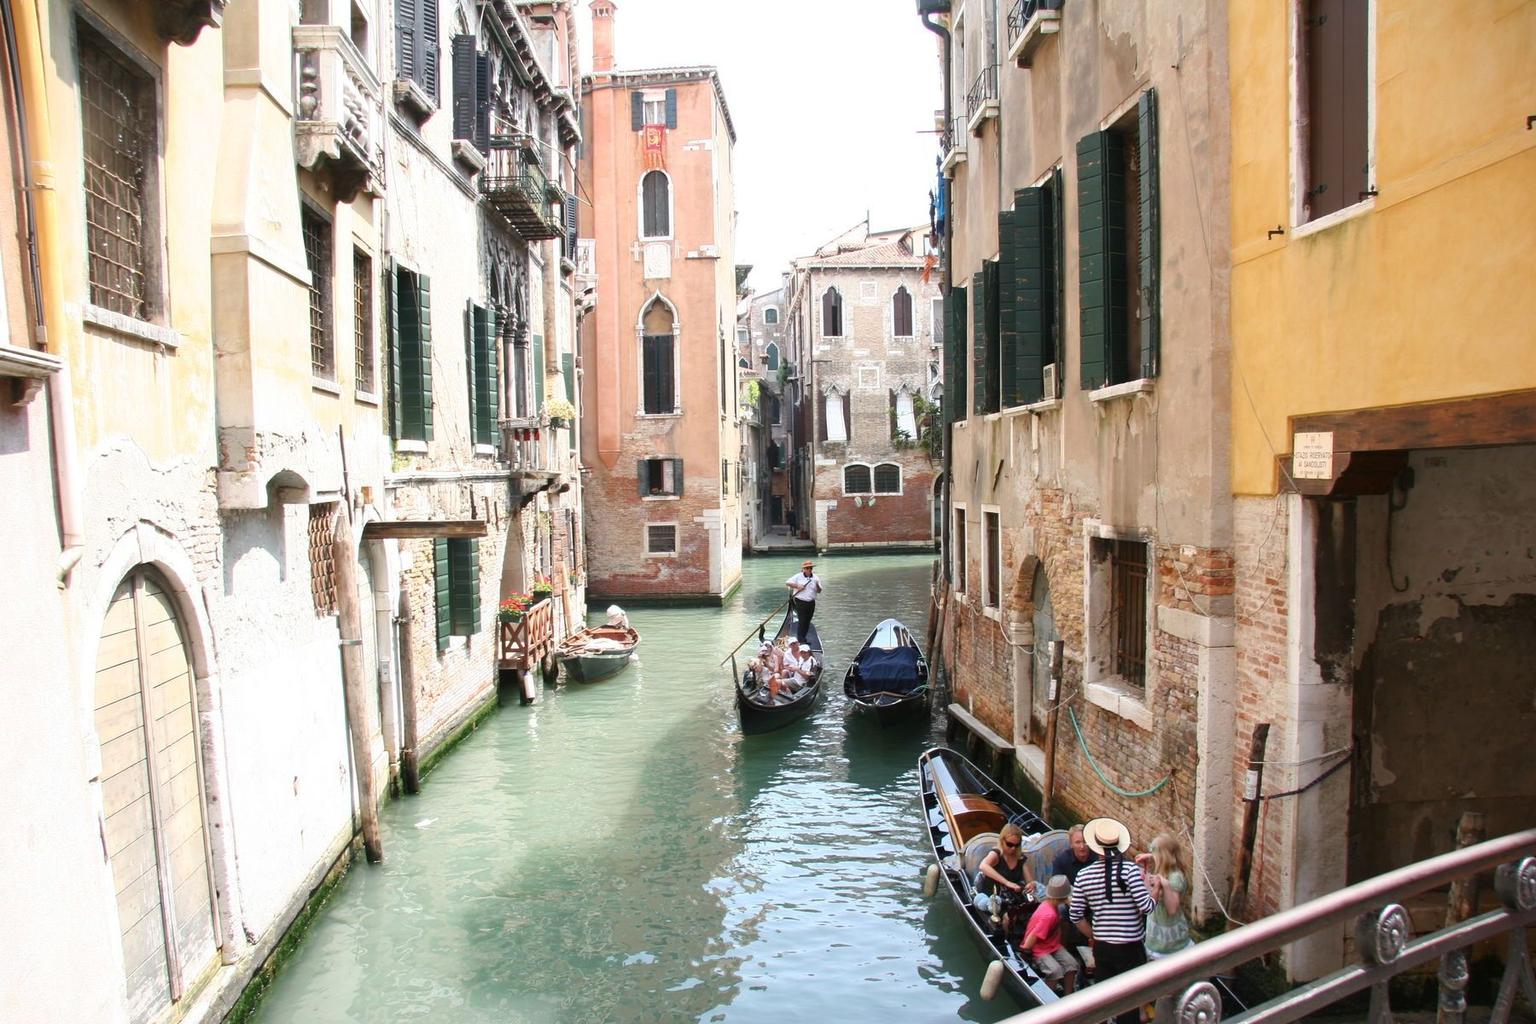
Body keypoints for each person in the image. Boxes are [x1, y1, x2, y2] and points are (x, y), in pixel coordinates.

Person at [1067, 817, 1156, 1024]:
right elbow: (1147, 907)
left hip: (1103, 948)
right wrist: (1156, 892)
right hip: (1130, 948)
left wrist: (1094, 935)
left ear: (1097, 848)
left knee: (1104, 1001)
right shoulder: (1131, 871)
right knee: (1129, 1002)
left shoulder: (1083, 875)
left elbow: (1075, 916)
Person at [1138, 833, 1194, 959]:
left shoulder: (1175, 877)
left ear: (1163, 856)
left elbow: (1172, 909)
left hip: (1169, 939)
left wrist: (1164, 884)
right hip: (1156, 929)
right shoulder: (1163, 869)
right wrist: (1148, 860)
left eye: (1154, 853)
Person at [1020, 875, 1078, 994]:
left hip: (1052, 944)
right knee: (1055, 971)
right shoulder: (1049, 914)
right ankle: (1048, 998)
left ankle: (1069, 995)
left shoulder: (1050, 903)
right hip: (1038, 948)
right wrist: (1025, 954)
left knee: (1072, 964)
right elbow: (1032, 937)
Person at [973, 822, 1036, 926]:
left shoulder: (1020, 858)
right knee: (1008, 917)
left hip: (1011, 898)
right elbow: (983, 866)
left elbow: (1030, 881)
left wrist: (1031, 885)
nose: (1013, 849)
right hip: (992, 897)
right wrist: (1007, 882)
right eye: (1010, 844)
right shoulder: (996, 854)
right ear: (1002, 841)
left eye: (1016, 845)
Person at [1050, 824, 1099, 955]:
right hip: (1069, 899)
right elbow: (1058, 887)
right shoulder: (1061, 861)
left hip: (1095, 899)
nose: (1082, 846)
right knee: (1060, 911)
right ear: (1071, 844)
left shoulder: (1098, 858)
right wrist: (1072, 902)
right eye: (1078, 842)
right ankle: (1063, 948)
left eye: (1085, 842)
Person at [784, 559, 823, 644]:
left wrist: (817, 585)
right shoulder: (798, 576)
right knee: (802, 620)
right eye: (807, 568)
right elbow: (787, 583)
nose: (809, 569)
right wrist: (797, 586)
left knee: (807, 621)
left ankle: (803, 638)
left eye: (810, 568)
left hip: (811, 602)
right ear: (804, 569)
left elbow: (819, 591)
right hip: (800, 602)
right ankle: (800, 639)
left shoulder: (815, 578)